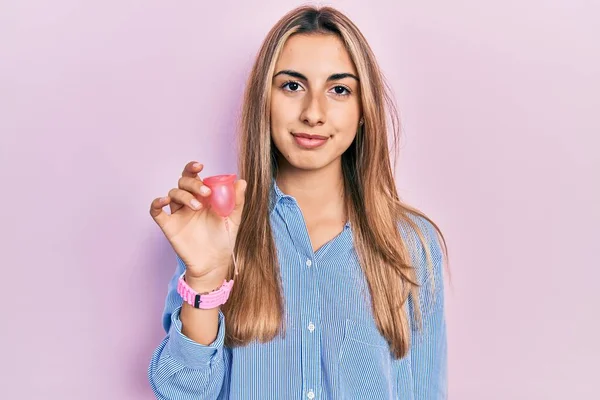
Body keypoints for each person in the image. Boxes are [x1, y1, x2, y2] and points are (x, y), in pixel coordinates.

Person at [148, 5, 448, 400]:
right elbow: (180, 392)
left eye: (339, 89)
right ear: (264, 101)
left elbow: (425, 391)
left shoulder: (411, 243)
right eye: (292, 86)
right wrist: (204, 282)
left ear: (363, 111)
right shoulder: (219, 232)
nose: (313, 114)